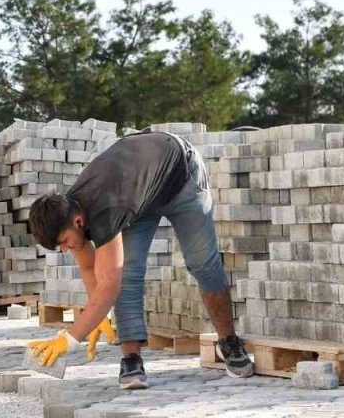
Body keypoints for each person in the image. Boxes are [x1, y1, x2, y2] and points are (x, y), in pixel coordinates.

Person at [25, 131, 254, 389]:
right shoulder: (67, 212)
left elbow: (108, 285)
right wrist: (97, 316)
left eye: (64, 242)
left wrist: (70, 338)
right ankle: (131, 359)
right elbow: (89, 266)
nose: (66, 249)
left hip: (181, 175)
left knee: (203, 263)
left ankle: (229, 342)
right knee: (129, 273)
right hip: (141, 194)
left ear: (78, 222)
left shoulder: (106, 210)